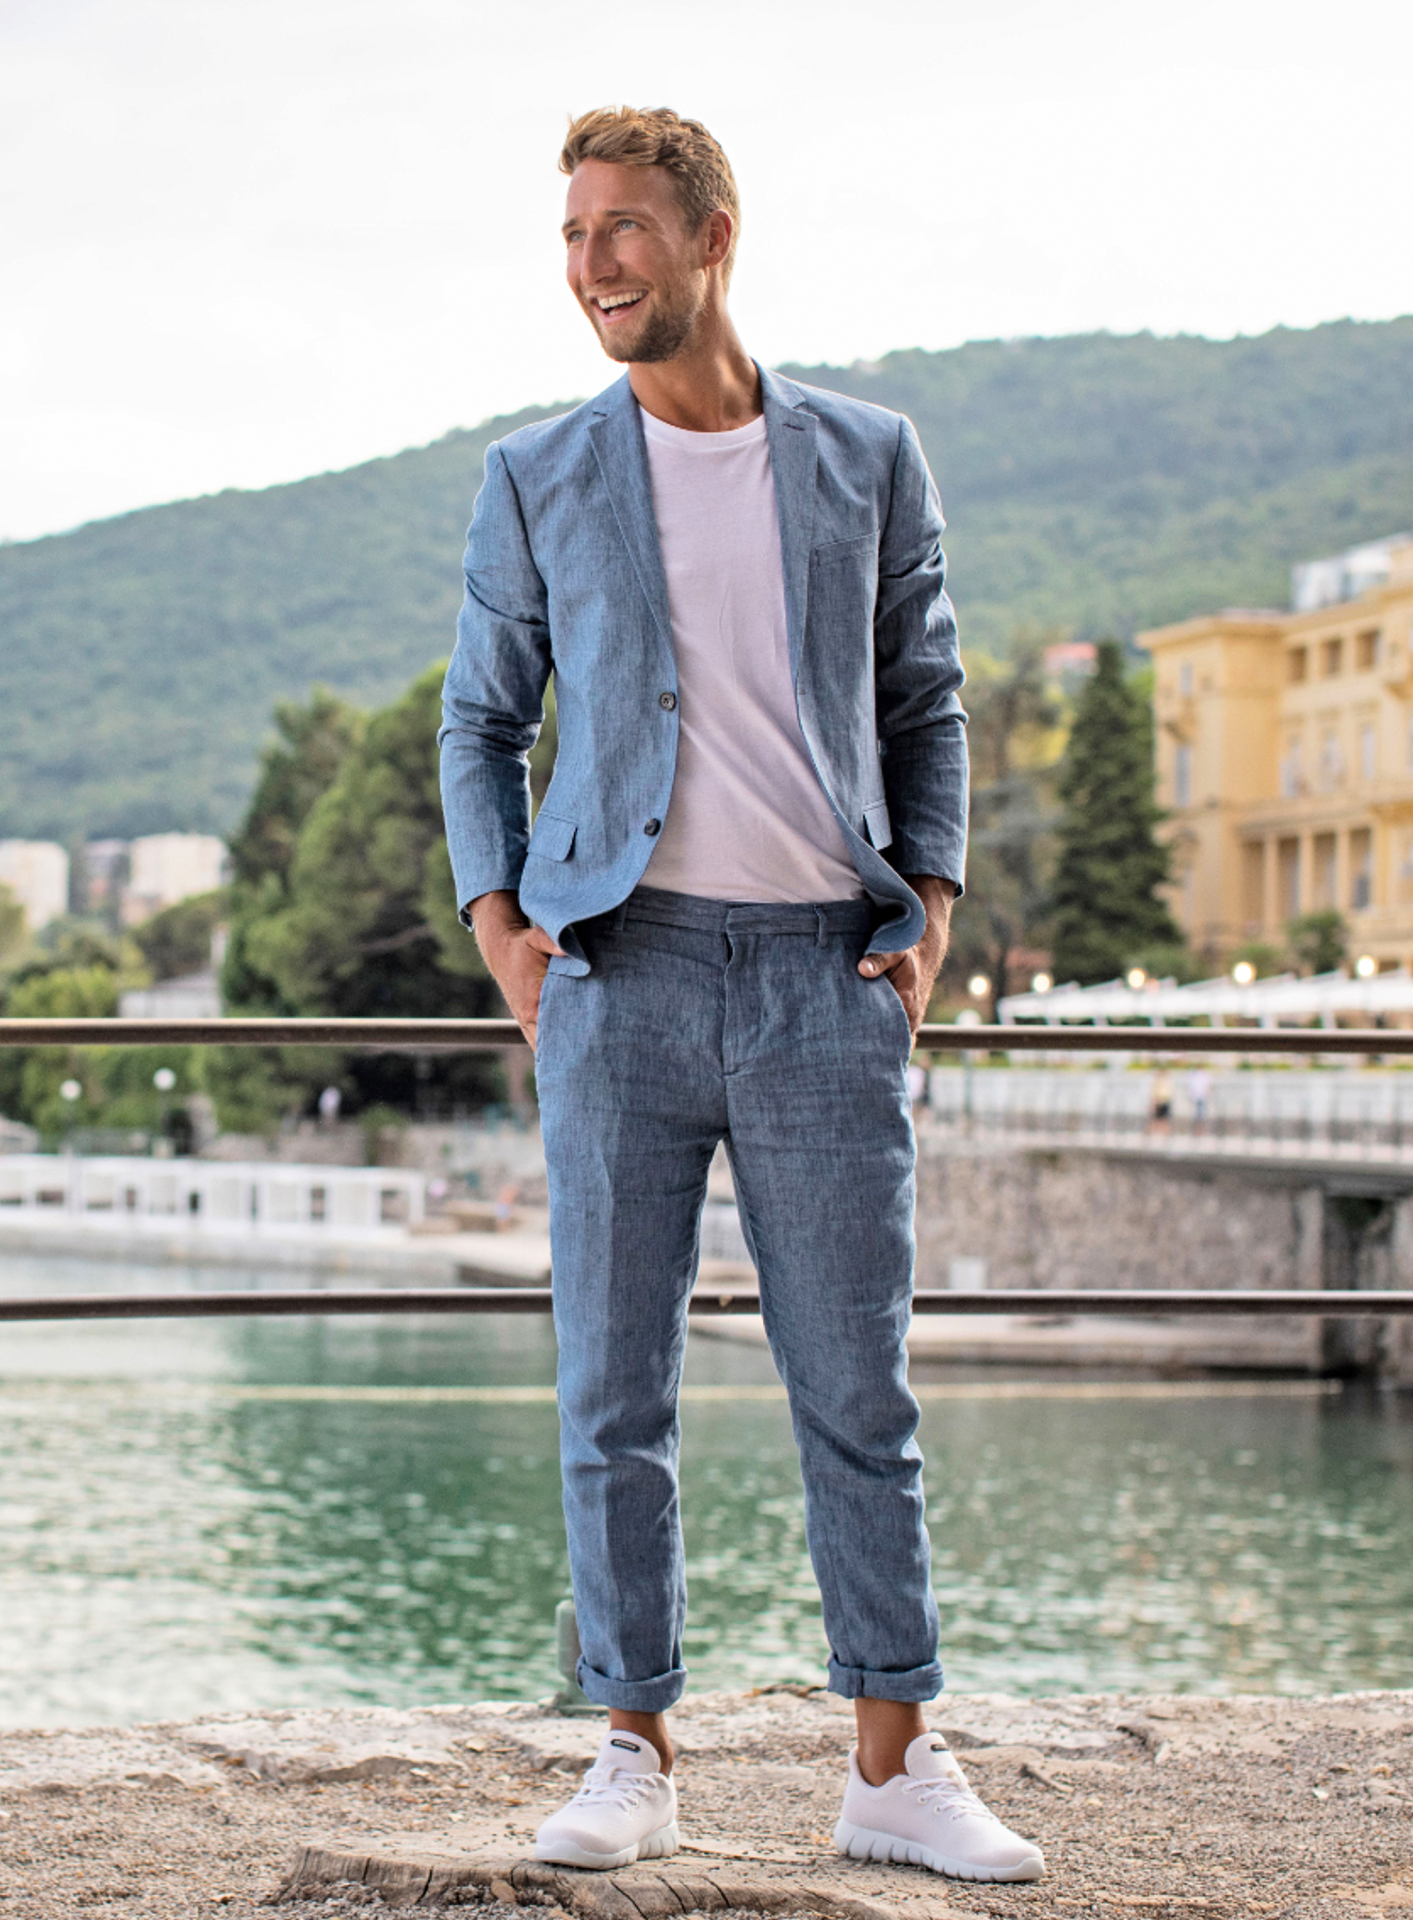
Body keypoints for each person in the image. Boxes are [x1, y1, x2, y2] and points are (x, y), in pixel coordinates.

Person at [439, 106, 1044, 1887]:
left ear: (713, 236)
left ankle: (895, 1763)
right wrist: (504, 936)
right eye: (572, 234)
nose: (591, 264)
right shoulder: (538, 473)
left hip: (817, 979)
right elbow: (478, 721)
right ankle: (629, 1745)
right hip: (614, 978)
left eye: (622, 229)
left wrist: (927, 909)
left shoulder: (866, 455)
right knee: (610, 1390)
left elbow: (927, 696)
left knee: (858, 1390)